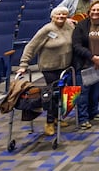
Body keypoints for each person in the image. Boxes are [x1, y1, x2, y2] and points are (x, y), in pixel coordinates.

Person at [17, 7, 74, 136]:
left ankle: (55, 118)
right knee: (53, 94)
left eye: (64, 14)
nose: (61, 16)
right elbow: (31, 46)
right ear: (52, 17)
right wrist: (23, 64)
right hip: (50, 67)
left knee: (61, 93)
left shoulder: (69, 27)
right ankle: (48, 121)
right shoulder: (47, 29)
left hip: (65, 67)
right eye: (58, 14)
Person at [71, 1, 99, 129]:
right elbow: (76, 45)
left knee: (95, 91)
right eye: (93, 10)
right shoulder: (81, 26)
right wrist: (92, 57)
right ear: (89, 12)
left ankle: (94, 112)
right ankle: (83, 118)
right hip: (85, 63)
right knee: (83, 93)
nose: (96, 13)